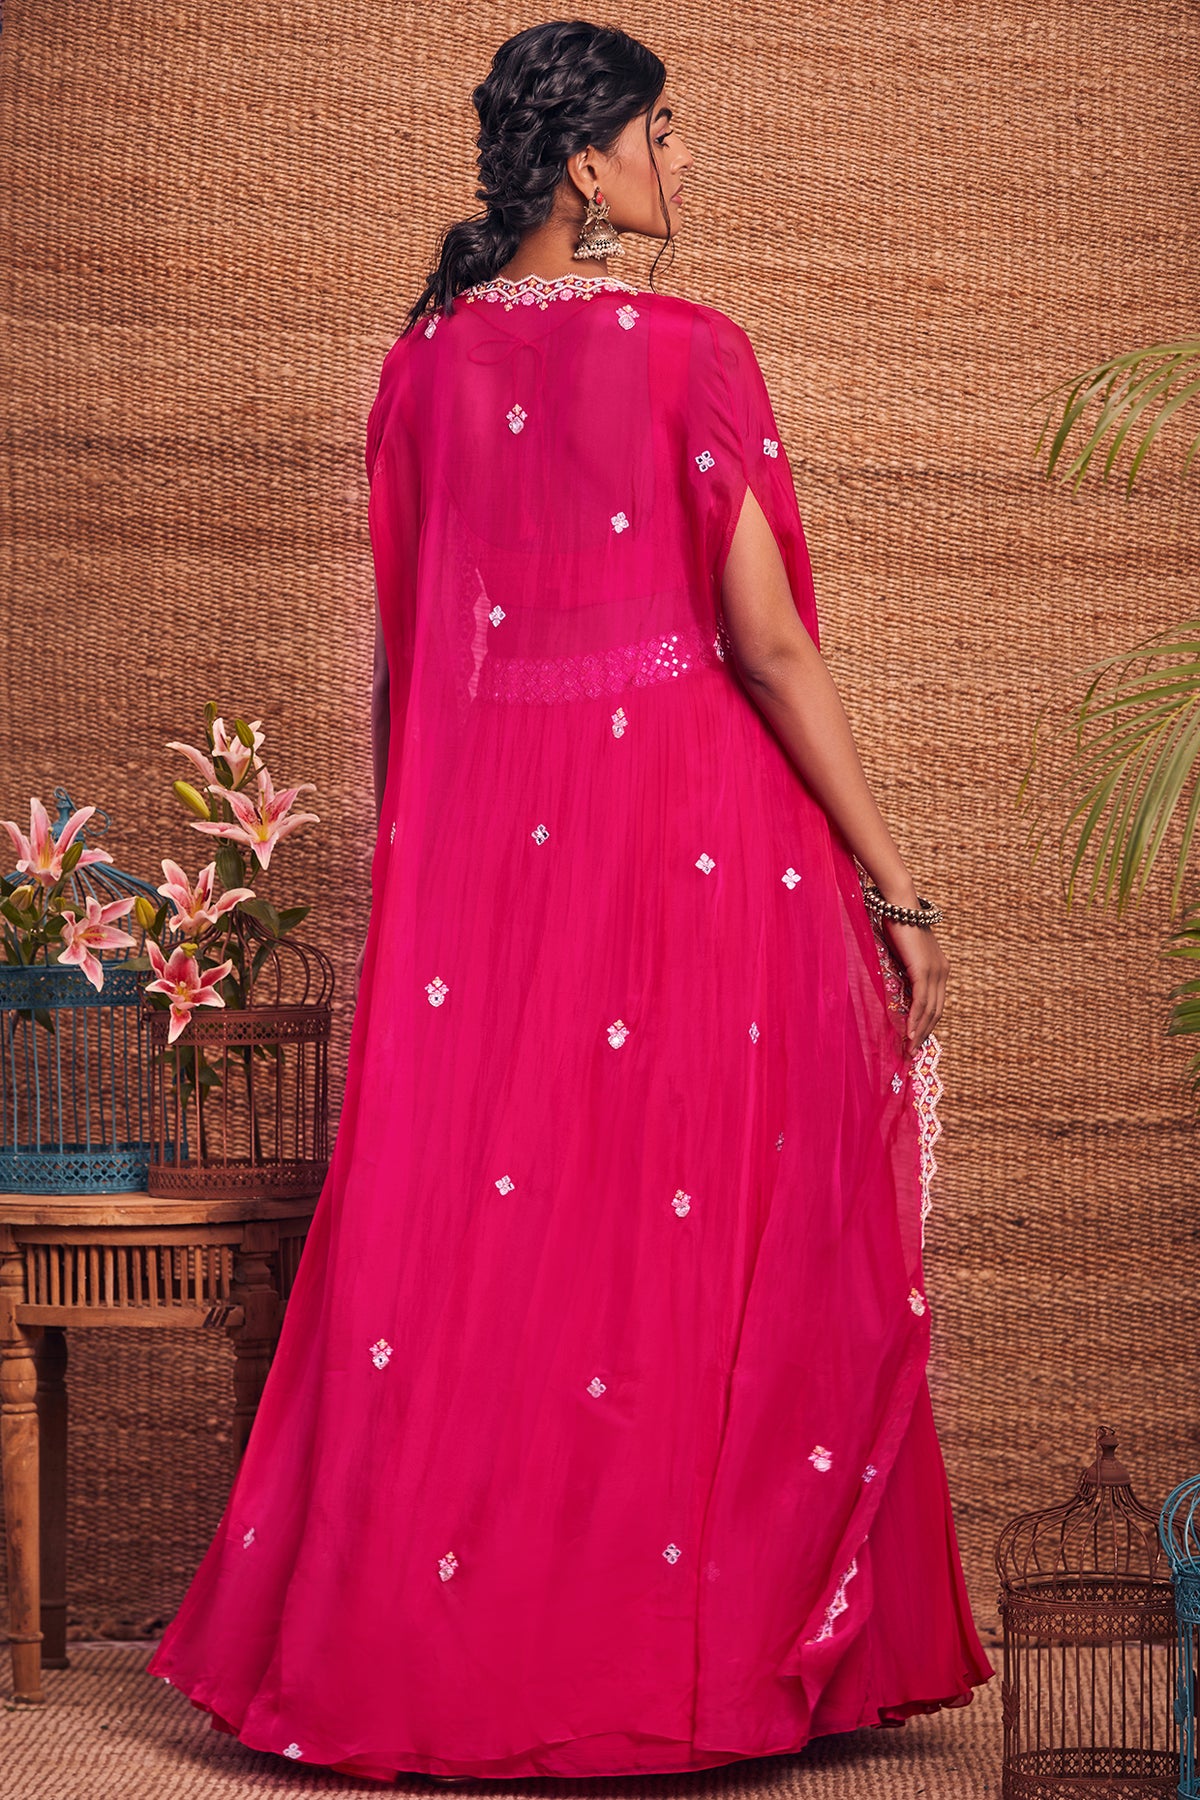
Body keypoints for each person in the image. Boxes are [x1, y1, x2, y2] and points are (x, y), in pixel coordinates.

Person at [148, 19, 992, 1780]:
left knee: (522, 1253)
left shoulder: (419, 369)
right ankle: (713, 1665)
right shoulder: (689, 354)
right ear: (588, 164)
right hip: (699, 850)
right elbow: (766, 646)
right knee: (705, 1246)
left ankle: (490, 1652)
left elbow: (425, 663)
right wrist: (896, 883)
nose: (685, 162)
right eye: (664, 133)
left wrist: (448, 888)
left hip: (497, 871)